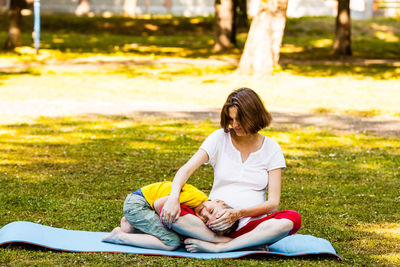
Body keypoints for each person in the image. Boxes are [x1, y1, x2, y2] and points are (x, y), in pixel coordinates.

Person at [160, 87, 302, 253]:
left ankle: (223, 246)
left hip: (251, 226)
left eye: (239, 120)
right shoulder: (219, 138)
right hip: (211, 224)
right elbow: (185, 170)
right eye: (231, 119)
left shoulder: (271, 148)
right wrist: (173, 197)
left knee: (292, 219)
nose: (234, 125)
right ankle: (236, 242)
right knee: (165, 206)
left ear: (254, 116)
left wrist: (237, 214)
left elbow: (273, 204)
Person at [102, 181, 238, 250]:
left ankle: (131, 226)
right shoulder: (194, 198)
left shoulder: (199, 206)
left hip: (140, 204)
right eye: (212, 211)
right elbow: (158, 205)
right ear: (219, 201)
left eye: (206, 220)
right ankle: (119, 237)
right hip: (138, 205)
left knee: (175, 229)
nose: (204, 214)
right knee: (171, 242)